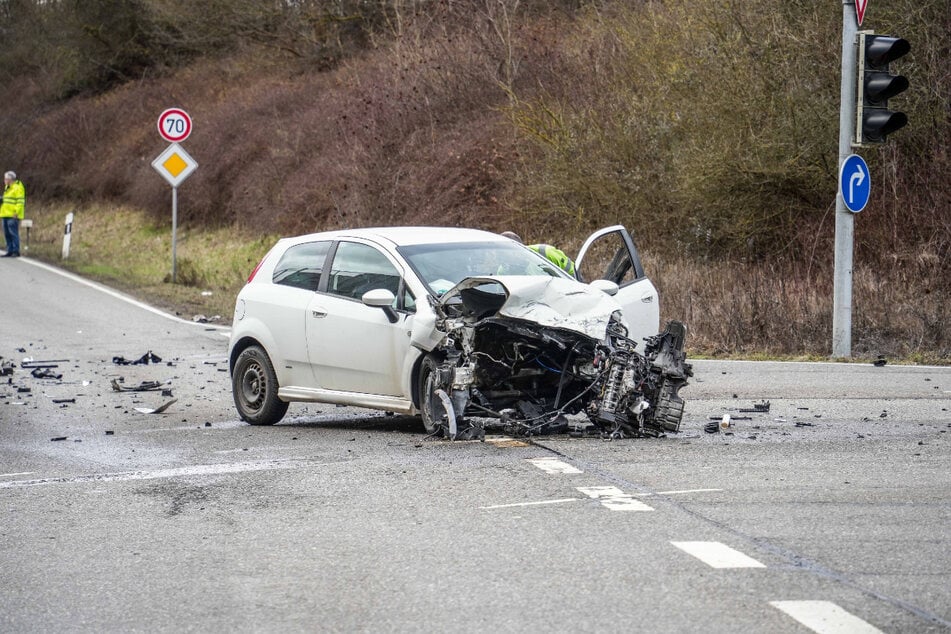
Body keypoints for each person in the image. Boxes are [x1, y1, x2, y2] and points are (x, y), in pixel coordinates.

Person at [501, 230, 576, 277]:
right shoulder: (504, 270)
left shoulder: (544, 252)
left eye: (513, 253)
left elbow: (571, 271)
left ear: (521, 247)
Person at [1, 171, 26, 257]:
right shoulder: (7, 187)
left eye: (5, 179)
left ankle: (16, 250)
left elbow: (20, 202)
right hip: (5, 214)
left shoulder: (18, 188)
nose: (4, 180)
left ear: (10, 179)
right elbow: (7, 201)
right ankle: (10, 250)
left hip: (12, 215)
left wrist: (16, 212)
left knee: (13, 233)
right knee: (7, 233)